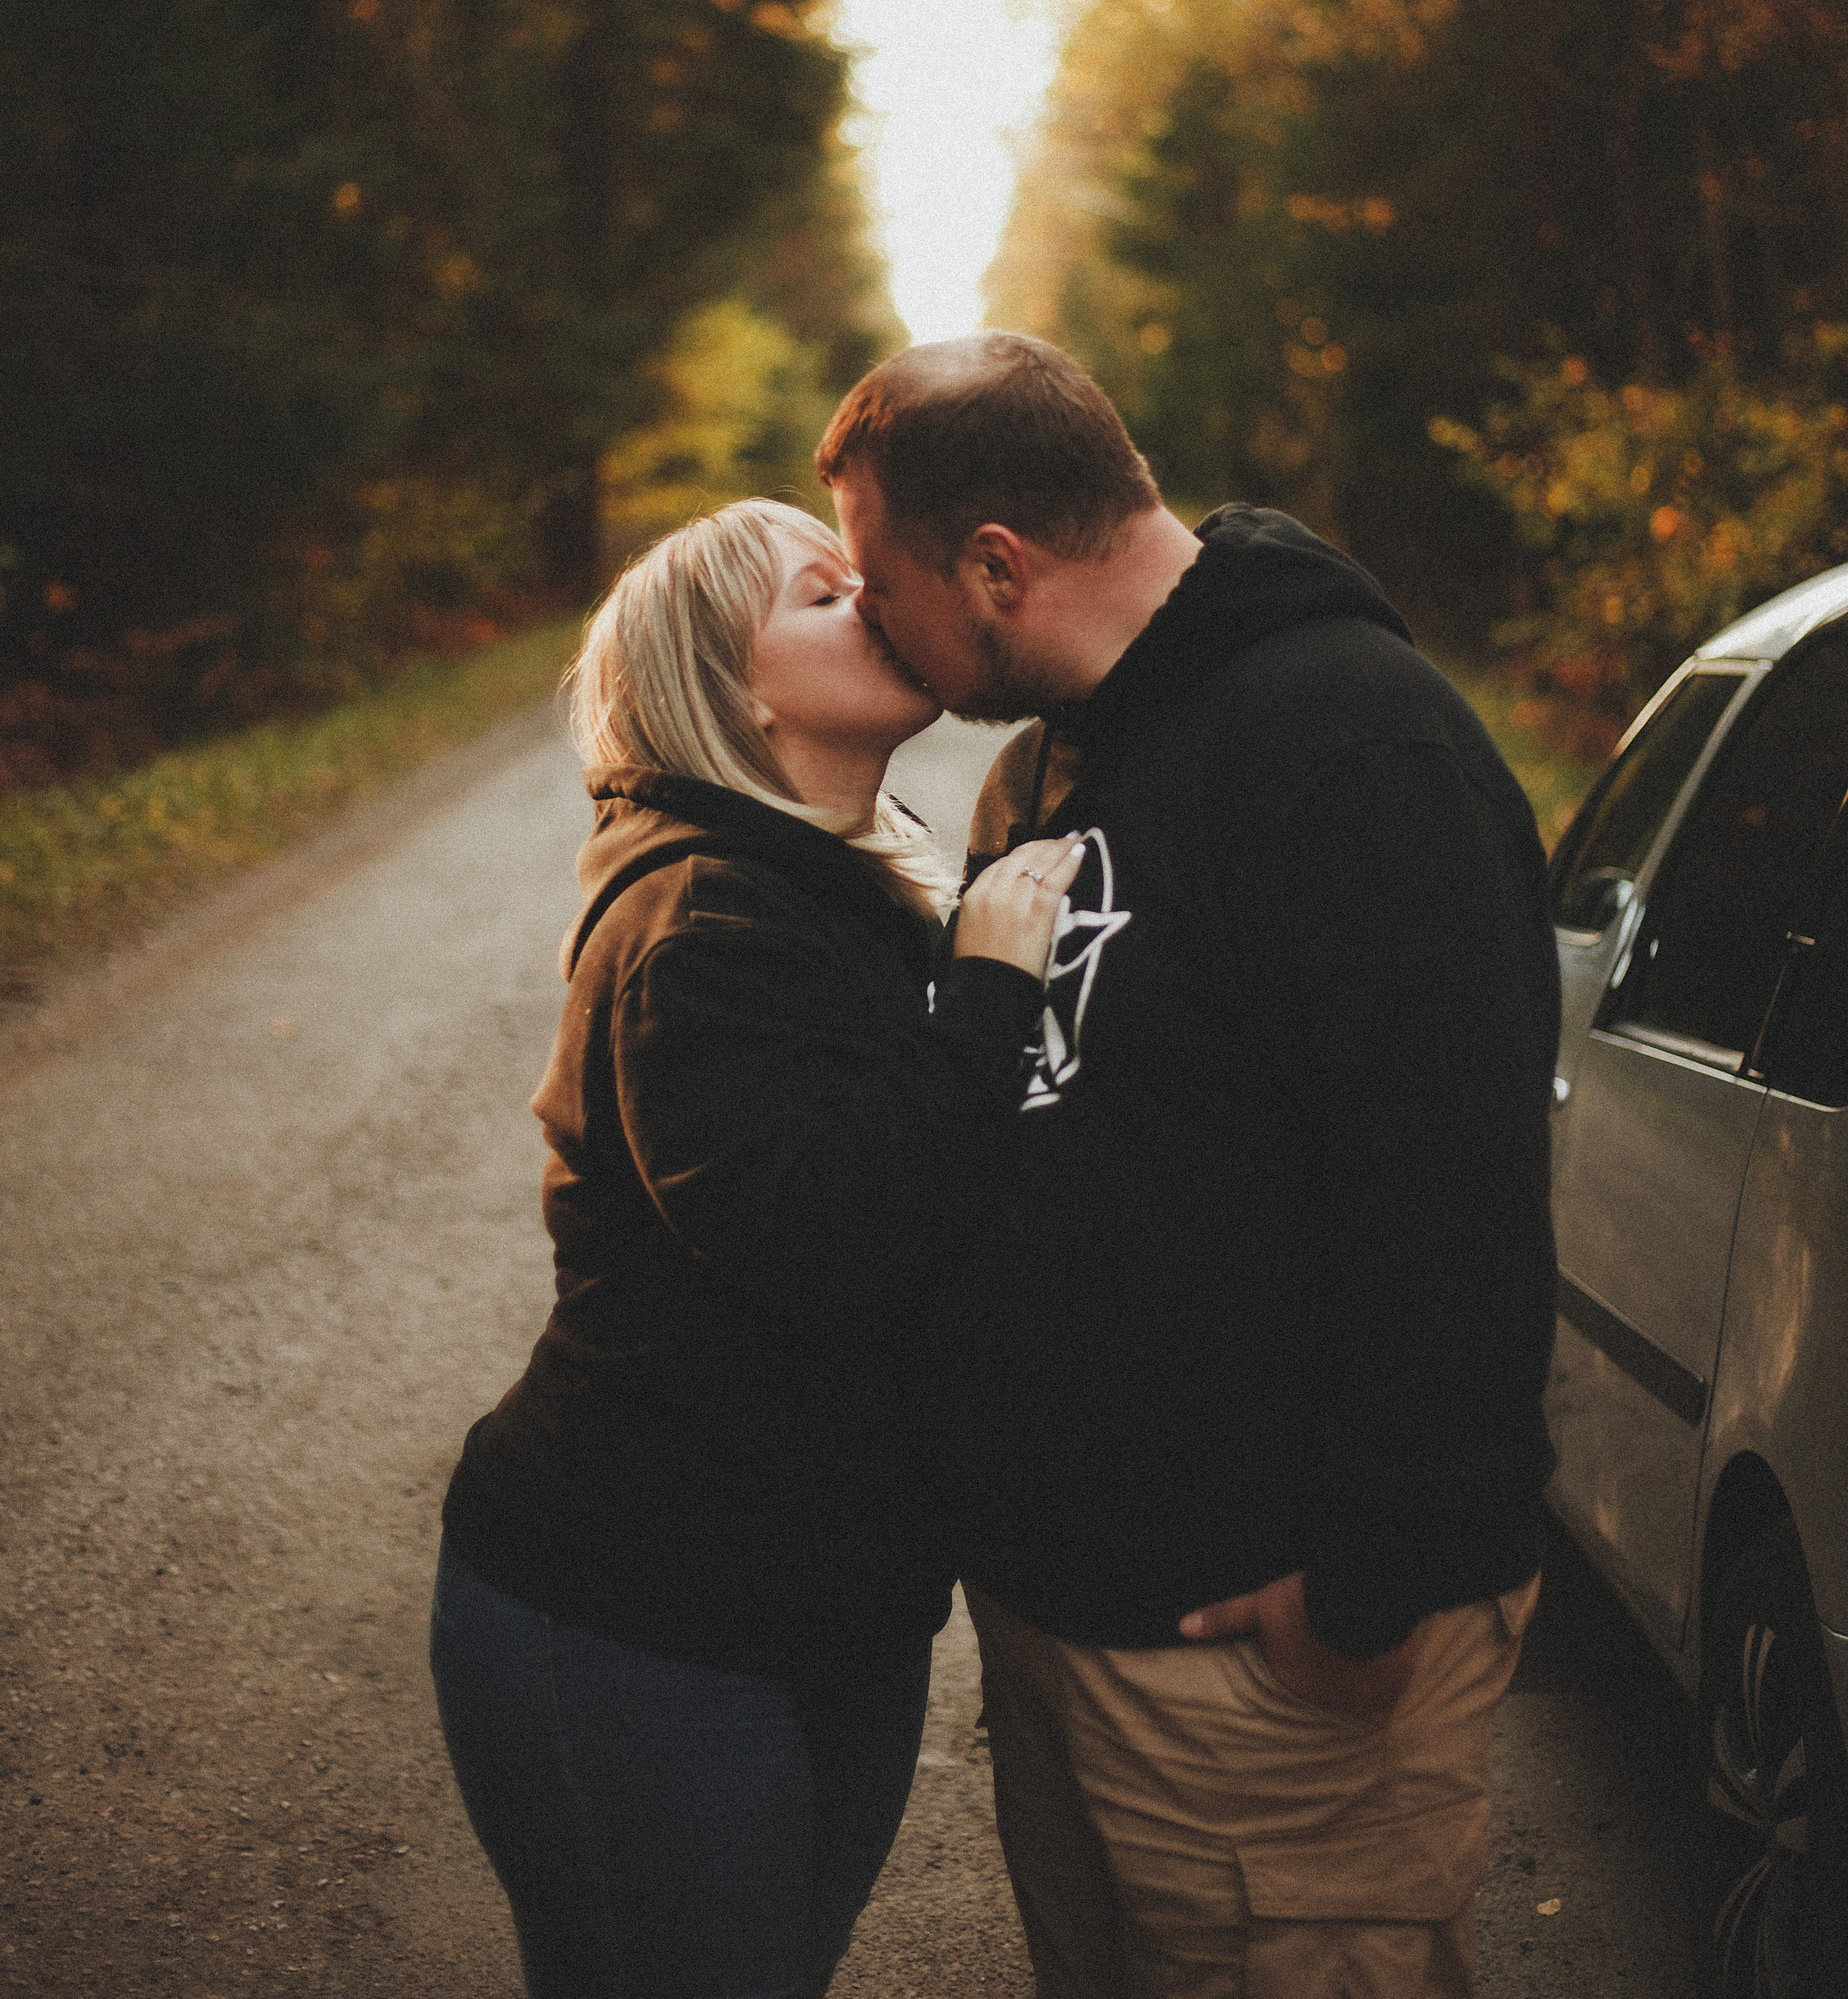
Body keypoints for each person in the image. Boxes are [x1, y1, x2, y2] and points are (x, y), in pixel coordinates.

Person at [816, 334, 1561, 1999]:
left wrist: (1365, 1596)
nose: (868, 619)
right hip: (1066, 1622)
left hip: (1266, 1671)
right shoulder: (1052, 762)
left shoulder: (1350, 748)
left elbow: (1453, 1200)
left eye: (877, 582)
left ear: (995, 566)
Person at [430, 497, 1082, 1999]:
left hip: (813, 1607)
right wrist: (987, 995)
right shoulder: (700, 916)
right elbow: (833, 1245)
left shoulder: (828, 881)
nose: (879, 598)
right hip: (634, 1621)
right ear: (730, 691)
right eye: (823, 594)